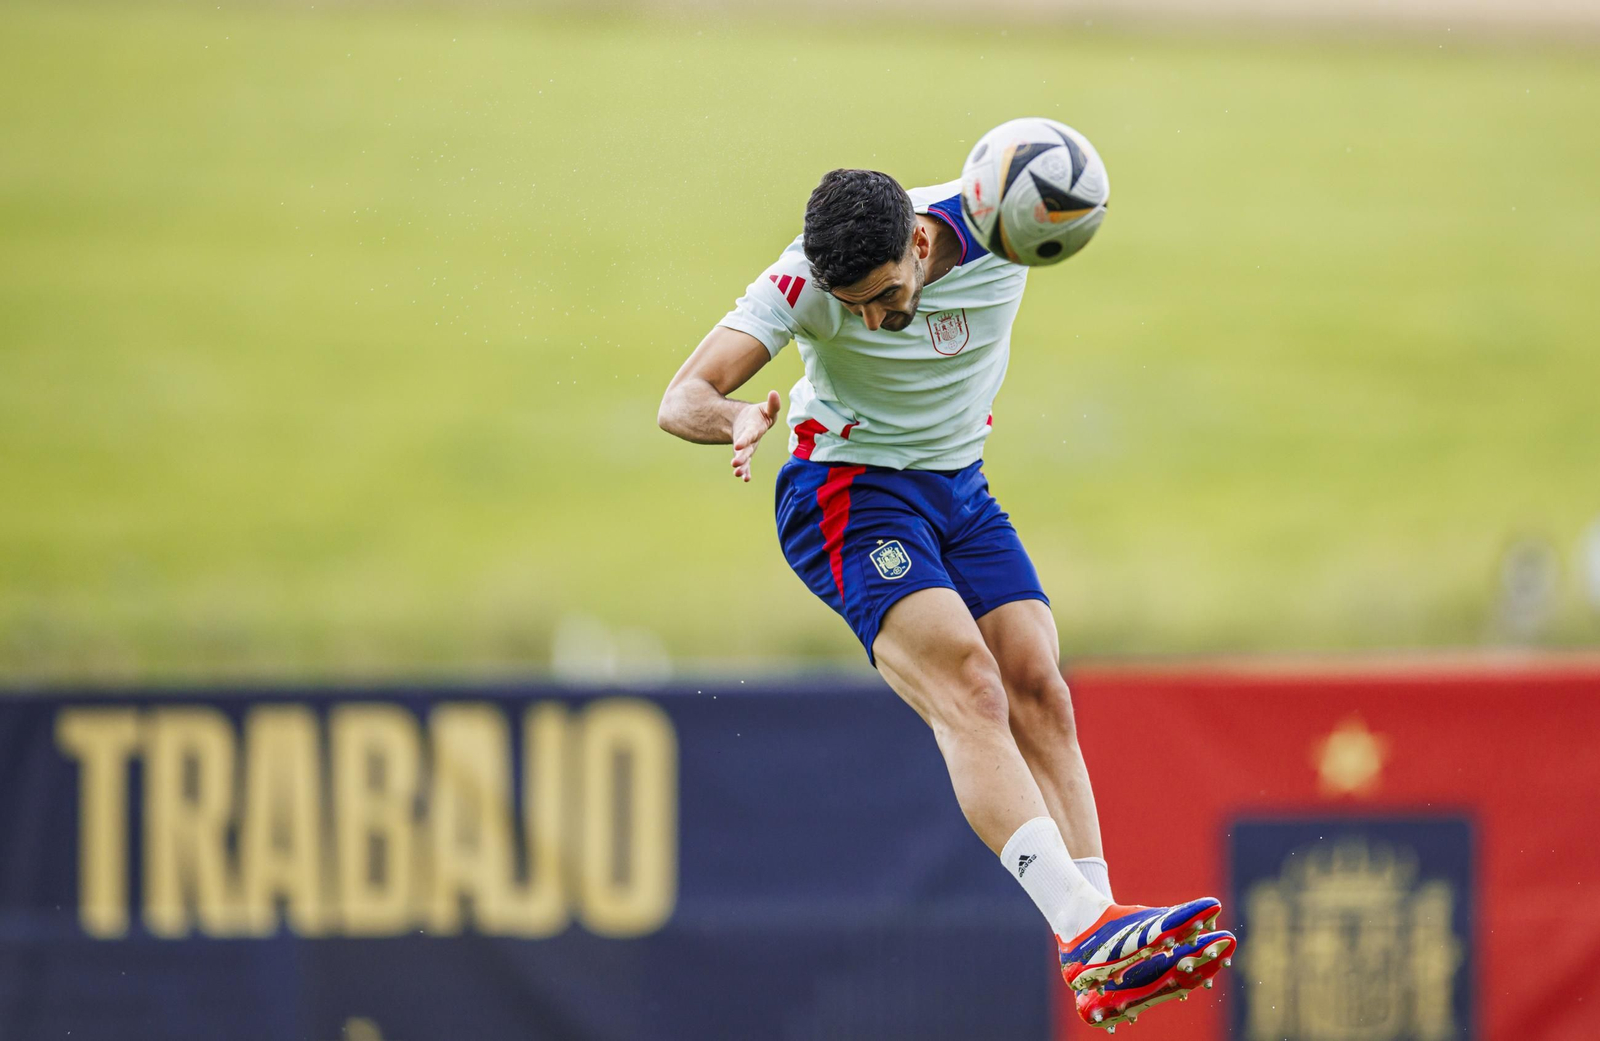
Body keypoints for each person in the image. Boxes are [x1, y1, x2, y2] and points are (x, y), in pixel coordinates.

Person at [657, 168, 1235, 1030]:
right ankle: (1086, 929)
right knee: (972, 683)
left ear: (920, 244)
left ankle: (1110, 945)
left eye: (886, 294)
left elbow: (1047, 163)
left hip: (959, 489)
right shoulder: (802, 280)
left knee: (1040, 680)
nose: (871, 320)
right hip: (847, 494)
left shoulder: (998, 217)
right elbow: (682, 397)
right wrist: (735, 418)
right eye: (851, 304)